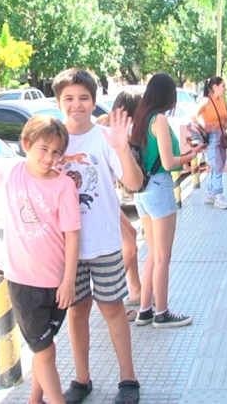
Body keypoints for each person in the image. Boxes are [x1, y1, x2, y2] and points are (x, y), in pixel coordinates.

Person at [0, 105, 80, 404]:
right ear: (26, 144)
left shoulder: (64, 186)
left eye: (56, 152)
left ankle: (34, 400)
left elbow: (73, 235)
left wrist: (68, 281)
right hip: (24, 283)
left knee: (45, 348)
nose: (50, 158)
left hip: (56, 284)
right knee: (45, 351)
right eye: (43, 149)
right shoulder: (11, 173)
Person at [52, 69, 144, 404]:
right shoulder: (53, 139)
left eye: (84, 98)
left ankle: (128, 378)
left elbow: (134, 184)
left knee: (113, 308)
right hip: (67, 250)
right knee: (76, 312)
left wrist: (122, 149)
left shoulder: (104, 138)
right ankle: (81, 379)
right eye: (69, 98)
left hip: (104, 244)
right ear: (59, 102)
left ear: (93, 101)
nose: (77, 105)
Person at [130, 73, 206, 329]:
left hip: (141, 190)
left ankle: (145, 309)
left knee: (152, 253)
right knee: (163, 256)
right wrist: (191, 155)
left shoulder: (141, 119)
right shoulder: (159, 119)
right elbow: (169, 161)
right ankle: (161, 311)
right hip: (160, 188)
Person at [96, 90, 143, 314]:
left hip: (110, 199)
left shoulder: (104, 122)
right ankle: (109, 297)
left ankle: (136, 290)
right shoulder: (123, 129)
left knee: (132, 236)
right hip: (101, 202)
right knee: (129, 246)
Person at [193, 76, 227, 210]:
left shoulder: (221, 101)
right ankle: (218, 194)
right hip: (212, 135)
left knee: (218, 163)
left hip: (221, 134)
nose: (225, 88)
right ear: (215, 87)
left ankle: (211, 192)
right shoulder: (206, 101)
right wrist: (204, 126)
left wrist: (225, 125)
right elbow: (194, 115)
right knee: (217, 164)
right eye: (223, 86)